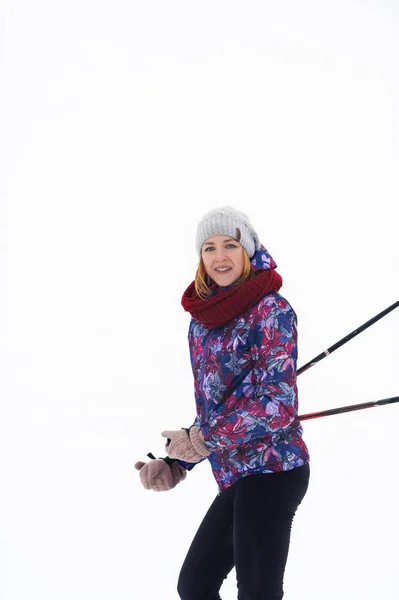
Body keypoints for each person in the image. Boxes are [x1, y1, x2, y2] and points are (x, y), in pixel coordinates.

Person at [135, 206, 310, 600]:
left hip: (273, 468)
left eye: (230, 245)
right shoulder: (202, 321)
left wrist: (202, 438)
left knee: (258, 592)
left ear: (247, 250)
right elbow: (214, 413)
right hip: (236, 471)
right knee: (195, 586)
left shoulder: (271, 311)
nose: (220, 257)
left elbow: (278, 406)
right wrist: (180, 459)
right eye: (209, 248)